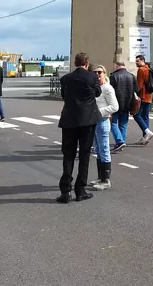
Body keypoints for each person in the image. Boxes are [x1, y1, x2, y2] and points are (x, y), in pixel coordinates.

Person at [56, 52, 102, 203]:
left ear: (75, 63)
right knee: (84, 155)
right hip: (87, 120)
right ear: (87, 63)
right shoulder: (92, 77)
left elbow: (64, 96)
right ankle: (80, 190)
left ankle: (65, 191)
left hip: (69, 119)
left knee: (68, 155)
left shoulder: (66, 79)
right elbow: (98, 93)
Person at [91, 65, 118, 190]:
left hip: (102, 120)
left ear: (104, 73)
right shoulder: (95, 87)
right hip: (94, 121)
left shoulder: (107, 88)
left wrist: (98, 111)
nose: (97, 74)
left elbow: (114, 107)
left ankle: (105, 180)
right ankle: (100, 177)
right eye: (95, 72)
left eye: (99, 72)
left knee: (104, 149)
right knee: (98, 150)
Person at [109, 61, 137, 153]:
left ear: (117, 66)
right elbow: (137, 90)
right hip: (127, 103)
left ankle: (119, 141)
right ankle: (122, 142)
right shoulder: (131, 76)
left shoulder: (113, 76)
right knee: (123, 124)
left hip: (116, 103)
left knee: (112, 123)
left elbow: (110, 91)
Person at [134, 55, 153, 145]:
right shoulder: (148, 68)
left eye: (137, 61)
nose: (136, 63)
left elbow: (139, 85)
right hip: (149, 96)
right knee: (145, 117)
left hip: (142, 96)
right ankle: (145, 137)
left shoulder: (141, 70)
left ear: (142, 60)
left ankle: (147, 132)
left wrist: (135, 94)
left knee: (136, 115)